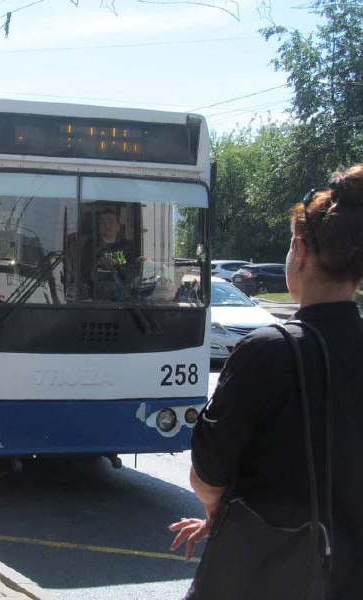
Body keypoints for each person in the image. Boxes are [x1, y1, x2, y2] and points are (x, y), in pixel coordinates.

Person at [169, 164, 363, 598]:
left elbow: (207, 476)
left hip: (274, 576)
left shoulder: (267, 350)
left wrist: (219, 511)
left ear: (301, 250)